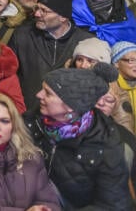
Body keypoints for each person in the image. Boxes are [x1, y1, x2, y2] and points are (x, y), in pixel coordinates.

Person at [26, 65, 133, 210]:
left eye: (48, 93)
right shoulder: (31, 122)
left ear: (71, 106)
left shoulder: (106, 143)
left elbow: (111, 205)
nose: (39, 95)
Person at [10, 0, 94, 111]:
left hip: (66, 116)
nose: (37, 14)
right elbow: (9, 74)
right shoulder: (22, 35)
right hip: (26, 113)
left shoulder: (85, 41)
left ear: (63, 17)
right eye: (37, 8)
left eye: (44, 11)